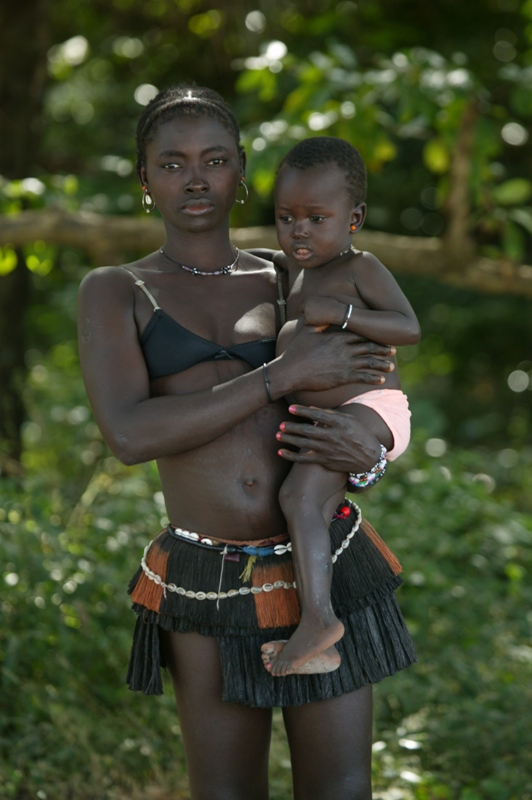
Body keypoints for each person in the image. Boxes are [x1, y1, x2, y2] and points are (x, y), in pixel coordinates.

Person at [78, 83, 416, 800]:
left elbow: (374, 388)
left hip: (322, 555)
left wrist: (374, 456)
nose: (196, 178)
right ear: (144, 180)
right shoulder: (117, 290)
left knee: (342, 790)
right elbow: (129, 434)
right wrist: (275, 377)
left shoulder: (295, 268)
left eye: (215, 159)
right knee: (226, 792)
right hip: (206, 577)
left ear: (241, 173)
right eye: (171, 164)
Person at [256, 137, 421, 678]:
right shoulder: (294, 271)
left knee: (298, 495)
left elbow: (408, 327)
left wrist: (345, 313)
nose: (299, 230)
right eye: (286, 217)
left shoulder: (361, 267)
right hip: (335, 417)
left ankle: (320, 620)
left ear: (354, 218)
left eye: (316, 218)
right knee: (304, 503)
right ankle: (323, 642)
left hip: (370, 407)